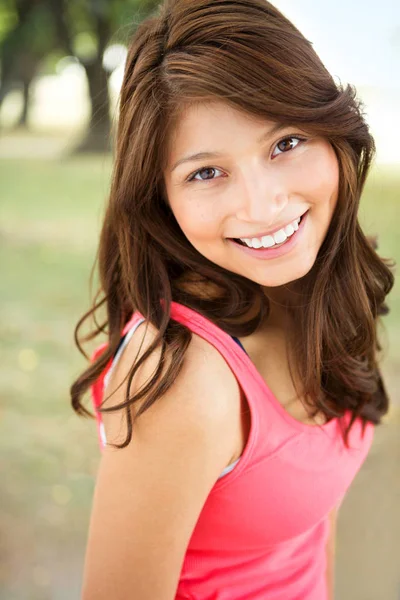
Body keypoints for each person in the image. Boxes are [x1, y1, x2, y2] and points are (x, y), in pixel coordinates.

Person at [70, 0, 395, 598]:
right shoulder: (183, 376)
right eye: (206, 173)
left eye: (286, 142)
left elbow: (307, 536)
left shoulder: (316, 292)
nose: (262, 205)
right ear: (160, 198)